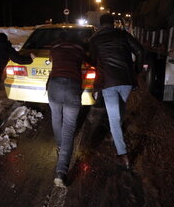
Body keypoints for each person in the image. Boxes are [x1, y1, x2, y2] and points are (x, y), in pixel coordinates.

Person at [89, 13, 144, 170]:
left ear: (100, 24)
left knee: (114, 117)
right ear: (113, 23)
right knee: (120, 110)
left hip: (108, 81)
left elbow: (93, 60)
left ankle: (123, 154)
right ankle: (116, 135)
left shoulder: (95, 39)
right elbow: (140, 51)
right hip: (126, 80)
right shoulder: (123, 34)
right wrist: (137, 71)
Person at [47, 31, 88, 187]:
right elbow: (88, 62)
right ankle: (61, 172)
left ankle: (60, 145)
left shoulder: (55, 48)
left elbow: (52, 61)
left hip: (54, 85)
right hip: (72, 86)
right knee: (69, 128)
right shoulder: (79, 48)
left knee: (56, 118)